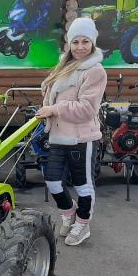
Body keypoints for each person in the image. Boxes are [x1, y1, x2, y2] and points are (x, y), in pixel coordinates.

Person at [36, 17, 107, 246]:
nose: (80, 47)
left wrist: (54, 108)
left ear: (93, 43)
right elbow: (53, 97)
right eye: (75, 42)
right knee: (53, 181)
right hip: (58, 135)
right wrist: (48, 94)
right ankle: (69, 214)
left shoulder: (95, 71)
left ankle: (83, 224)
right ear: (69, 43)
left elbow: (87, 109)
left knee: (83, 185)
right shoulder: (64, 67)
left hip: (81, 138)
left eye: (85, 41)